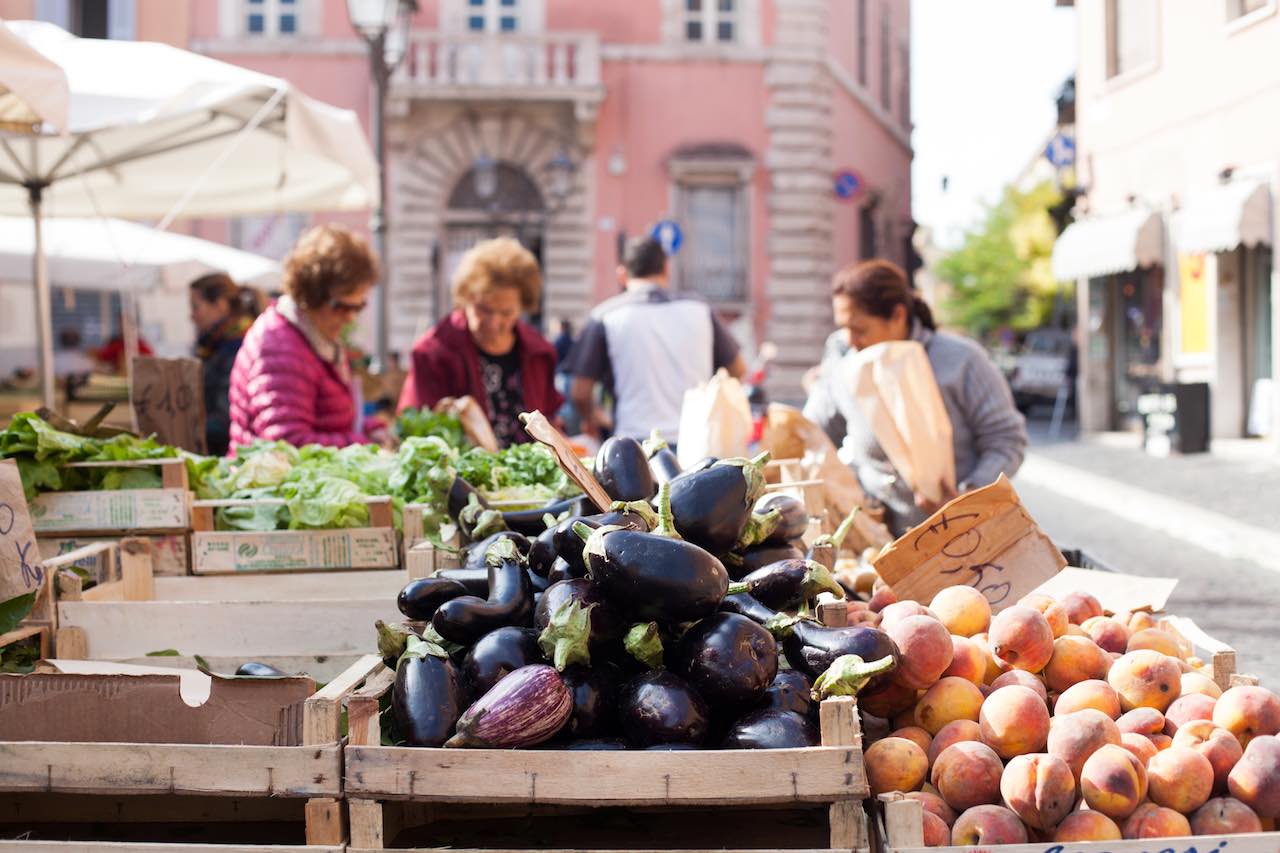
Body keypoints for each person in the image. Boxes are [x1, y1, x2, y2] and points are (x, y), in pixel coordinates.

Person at [803, 259, 1028, 536]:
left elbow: (1007, 440)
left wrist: (969, 495)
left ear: (898, 316)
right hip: (878, 541)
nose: (850, 340)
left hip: (965, 535)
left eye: (860, 329)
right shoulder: (843, 369)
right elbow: (813, 434)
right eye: (843, 327)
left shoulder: (963, 361)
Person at [569, 235, 747, 442]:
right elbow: (738, 370)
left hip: (635, 445)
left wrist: (598, 418)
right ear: (666, 269)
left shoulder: (605, 317)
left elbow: (580, 393)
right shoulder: (700, 309)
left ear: (622, 274)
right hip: (698, 442)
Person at [228, 224, 388, 450]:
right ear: (312, 296)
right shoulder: (278, 346)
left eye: (359, 306)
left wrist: (369, 428)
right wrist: (363, 443)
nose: (351, 318)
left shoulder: (314, 337)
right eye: (342, 307)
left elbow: (331, 417)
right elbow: (286, 444)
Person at [397, 237, 562, 447]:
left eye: (506, 313)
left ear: (523, 306)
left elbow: (550, 418)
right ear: (466, 299)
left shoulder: (540, 352)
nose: (494, 323)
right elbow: (418, 428)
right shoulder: (433, 352)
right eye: (484, 309)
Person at [190, 272, 253, 456]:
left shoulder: (237, 346)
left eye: (196, 307)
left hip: (229, 453)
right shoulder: (212, 346)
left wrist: (186, 427)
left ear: (220, 304)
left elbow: (226, 415)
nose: (192, 315)